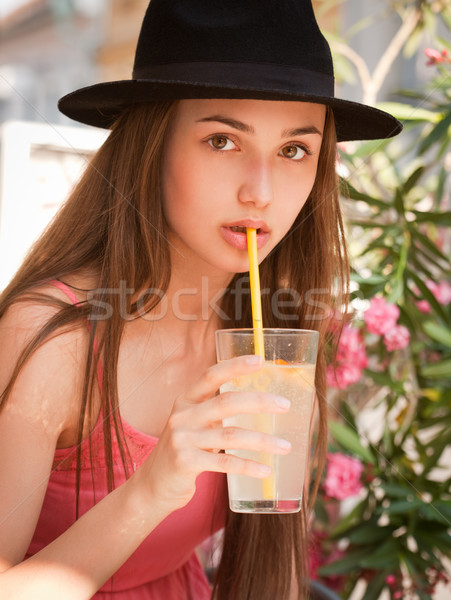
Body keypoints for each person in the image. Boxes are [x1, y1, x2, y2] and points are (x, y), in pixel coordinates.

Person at [0, 1, 402, 598]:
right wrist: (153, 488)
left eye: (295, 150)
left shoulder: (278, 334)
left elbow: (270, 572)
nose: (260, 191)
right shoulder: (51, 337)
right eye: (222, 140)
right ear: (151, 143)